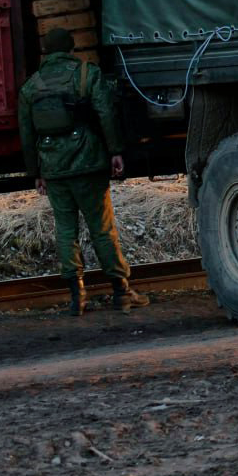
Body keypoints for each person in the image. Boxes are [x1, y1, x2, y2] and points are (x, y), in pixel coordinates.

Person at [18, 27, 148, 315]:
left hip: (53, 168)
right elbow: (106, 113)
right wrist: (115, 150)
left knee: (66, 231)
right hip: (88, 162)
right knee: (102, 229)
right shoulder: (87, 75)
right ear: (71, 49)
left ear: (45, 52)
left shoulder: (30, 87)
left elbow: (27, 136)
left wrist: (35, 173)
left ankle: (78, 297)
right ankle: (122, 292)